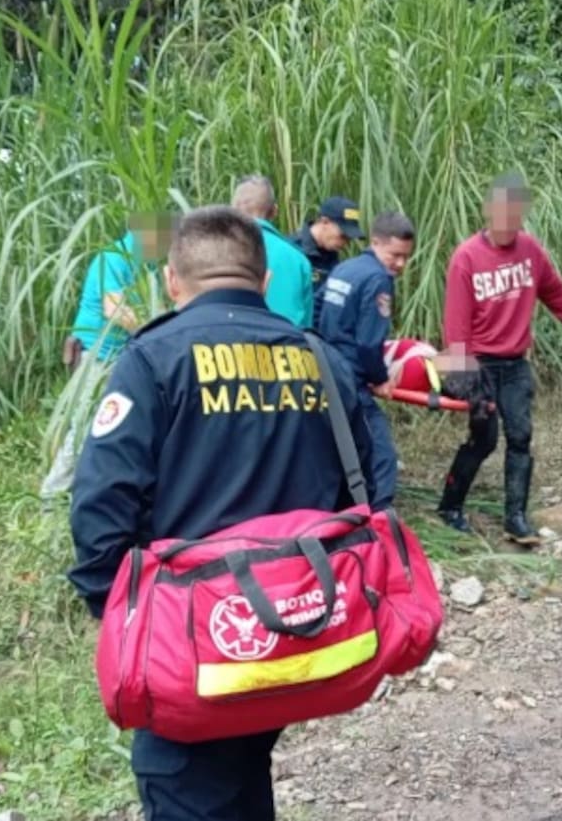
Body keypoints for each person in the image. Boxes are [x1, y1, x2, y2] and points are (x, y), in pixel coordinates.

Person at [68, 205, 374, 821]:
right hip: (292, 634)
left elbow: (100, 505)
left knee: (186, 785)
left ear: (173, 282)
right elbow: (365, 489)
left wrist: (122, 613)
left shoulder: (152, 360)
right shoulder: (318, 358)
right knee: (242, 772)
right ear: (263, 283)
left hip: (191, 644)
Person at [437, 173, 562, 543]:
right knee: (484, 439)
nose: (508, 226)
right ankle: (450, 506)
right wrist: (464, 378)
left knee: (521, 436)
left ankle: (516, 519)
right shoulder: (466, 258)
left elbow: (553, 290)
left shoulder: (530, 251)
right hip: (477, 362)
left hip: (514, 363)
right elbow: (454, 325)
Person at [40, 215, 170, 501]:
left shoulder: (148, 266)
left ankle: (103, 492)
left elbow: (158, 307)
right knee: (86, 424)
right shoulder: (113, 258)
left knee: (123, 426)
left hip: (126, 357)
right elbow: (115, 310)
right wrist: (156, 335)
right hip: (96, 358)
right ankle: (52, 497)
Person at [318, 211, 416, 510]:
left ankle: (344, 512)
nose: (399, 264)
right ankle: (380, 521)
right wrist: (381, 378)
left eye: (405, 257)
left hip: (326, 368)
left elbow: (317, 309)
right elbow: (368, 342)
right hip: (352, 379)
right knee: (381, 454)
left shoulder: (344, 269)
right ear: (375, 242)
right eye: (395, 255)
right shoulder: (377, 279)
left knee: (339, 448)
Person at [231, 174, 313, 328]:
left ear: (231, 210)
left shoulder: (210, 250)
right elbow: (305, 328)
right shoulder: (296, 259)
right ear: (274, 211)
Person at [290, 196, 363, 326]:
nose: (345, 243)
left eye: (349, 239)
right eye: (342, 236)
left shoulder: (334, 259)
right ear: (324, 222)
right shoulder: (292, 251)